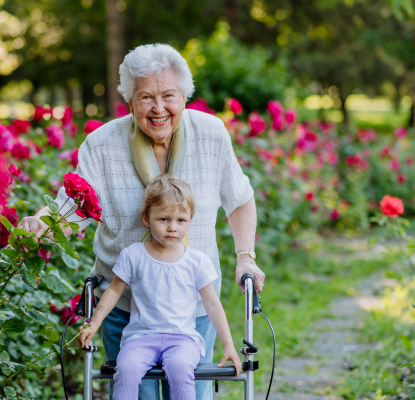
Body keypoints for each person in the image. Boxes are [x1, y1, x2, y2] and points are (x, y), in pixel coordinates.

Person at [18, 43, 264, 400]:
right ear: (130, 103)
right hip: (126, 308)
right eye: (146, 97)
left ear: (184, 97)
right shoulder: (101, 145)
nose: (158, 107)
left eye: (168, 95)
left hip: (193, 307)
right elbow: (73, 207)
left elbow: (239, 200)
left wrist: (246, 255)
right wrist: (42, 223)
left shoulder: (211, 134)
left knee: (191, 393)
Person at [78, 175, 242, 400]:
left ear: (190, 220)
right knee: (125, 371)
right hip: (140, 337)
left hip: (183, 339)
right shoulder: (133, 255)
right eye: (164, 219)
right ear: (146, 218)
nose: (172, 227)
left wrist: (229, 345)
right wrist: (93, 324)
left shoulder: (197, 261)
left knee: (180, 369)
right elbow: (114, 291)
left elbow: (212, 304)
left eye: (180, 220)